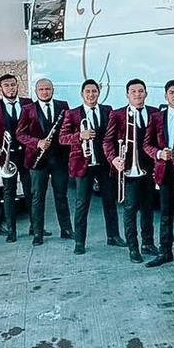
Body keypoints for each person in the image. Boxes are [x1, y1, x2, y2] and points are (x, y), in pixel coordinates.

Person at [59, 79, 121, 254]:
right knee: (82, 204)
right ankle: (79, 242)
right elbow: (62, 138)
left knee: (110, 201)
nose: (91, 95)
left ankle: (113, 236)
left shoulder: (107, 110)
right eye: (88, 91)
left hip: (104, 164)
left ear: (99, 93)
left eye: (94, 91)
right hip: (83, 164)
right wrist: (80, 135)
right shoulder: (72, 114)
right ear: (82, 94)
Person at [104, 78, 158, 262]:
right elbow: (107, 141)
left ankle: (148, 243)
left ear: (146, 93)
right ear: (127, 95)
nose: (137, 94)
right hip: (128, 170)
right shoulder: (118, 114)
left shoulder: (154, 113)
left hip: (148, 169)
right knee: (130, 209)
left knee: (148, 209)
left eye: (140, 91)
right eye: (133, 91)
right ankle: (133, 248)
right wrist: (114, 159)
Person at [16, 78, 72, 245]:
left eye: (48, 89)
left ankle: (66, 229)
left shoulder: (63, 106)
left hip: (59, 159)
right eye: (41, 89)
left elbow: (69, 129)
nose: (45, 92)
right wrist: (37, 142)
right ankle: (37, 233)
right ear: (36, 91)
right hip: (37, 160)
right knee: (38, 197)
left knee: (61, 196)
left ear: (52, 90)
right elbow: (20, 134)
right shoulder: (27, 109)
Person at [142, 79, 174, 267]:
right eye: (171, 92)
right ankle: (165, 252)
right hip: (166, 168)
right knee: (166, 213)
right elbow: (146, 144)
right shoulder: (156, 117)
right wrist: (159, 153)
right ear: (165, 96)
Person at [0, 74, 32, 241]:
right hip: (6, 157)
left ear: (17, 85)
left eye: (13, 85)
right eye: (6, 85)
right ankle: (12, 231)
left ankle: (35, 227)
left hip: (26, 154)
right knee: (9, 192)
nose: (10, 88)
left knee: (31, 191)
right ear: (1, 88)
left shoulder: (28, 103)